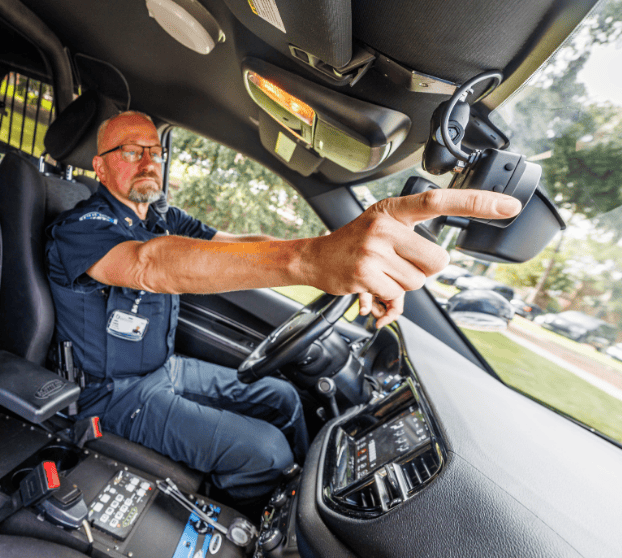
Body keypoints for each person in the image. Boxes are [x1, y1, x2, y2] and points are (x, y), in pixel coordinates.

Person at [46, 111, 521, 501]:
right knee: (266, 451)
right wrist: (309, 261)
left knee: (283, 397)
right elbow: (150, 265)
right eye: (131, 152)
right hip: (110, 393)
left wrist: (335, 249)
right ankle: (249, 528)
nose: (149, 161)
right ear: (101, 167)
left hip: (162, 370)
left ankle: (295, 496)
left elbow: (237, 244)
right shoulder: (82, 225)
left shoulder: (162, 216)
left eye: (155, 150)